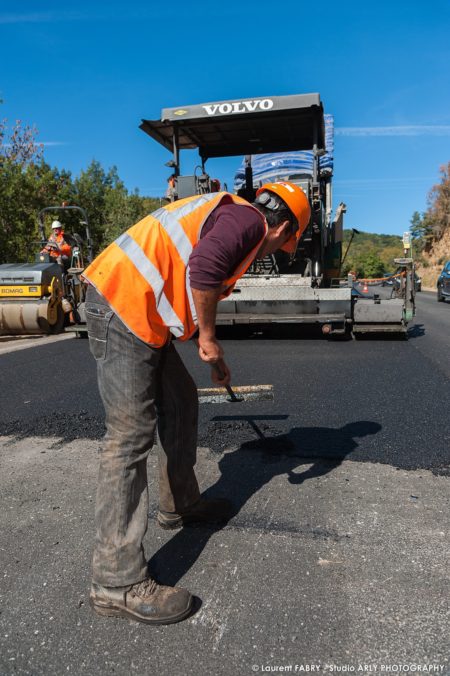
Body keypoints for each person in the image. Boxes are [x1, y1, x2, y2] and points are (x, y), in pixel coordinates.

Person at [82, 181, 311, 625]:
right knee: (129, 436)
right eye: (287, 243)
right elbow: (204, 270)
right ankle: (115, 581)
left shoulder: (235, 217)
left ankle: (179, 504)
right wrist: (208, 339)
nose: (282, 250)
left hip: (140, 312)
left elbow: (189, 277)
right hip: (121, 305)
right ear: (283, 227)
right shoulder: (248, 220)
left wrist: (209, 351)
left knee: (183, 400)